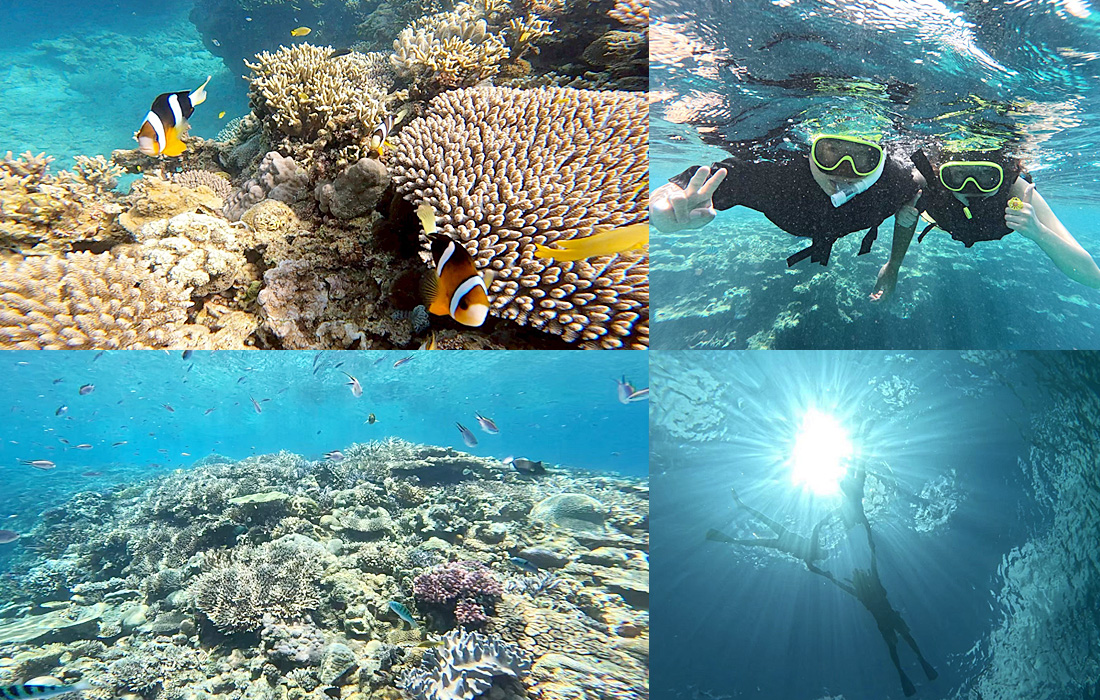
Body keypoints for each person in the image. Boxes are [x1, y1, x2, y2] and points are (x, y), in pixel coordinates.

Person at [651, 133, 923, 268]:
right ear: (810, 151)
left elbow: (920, 187)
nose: (844, 169)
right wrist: (665, 205)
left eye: (863, 159)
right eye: (830, 153)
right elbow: (709, 179)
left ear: (880, 163)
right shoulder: (775, 175)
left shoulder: (894, 184)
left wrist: (893, 267)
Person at [873, 145, 1100, 298]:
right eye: (958, 176)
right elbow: (907, 217)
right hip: (943, 221)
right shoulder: (927, 181)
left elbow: (1092, 276)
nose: (972, 187)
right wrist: (893, 265)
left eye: (985, 176)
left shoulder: (1017, 190)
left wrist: (1039, 232)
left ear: (1002, 174)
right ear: (943, 174)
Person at [705, 487, 829, 566]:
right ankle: (739, 516)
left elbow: (816, 529)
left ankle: (731, 534)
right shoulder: (813, 553)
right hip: (783, 539)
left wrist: (825, 520)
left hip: (783, 540)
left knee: (762, 525)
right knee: (761, 528)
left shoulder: (813, 551)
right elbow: (816, 531)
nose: (821, 553)